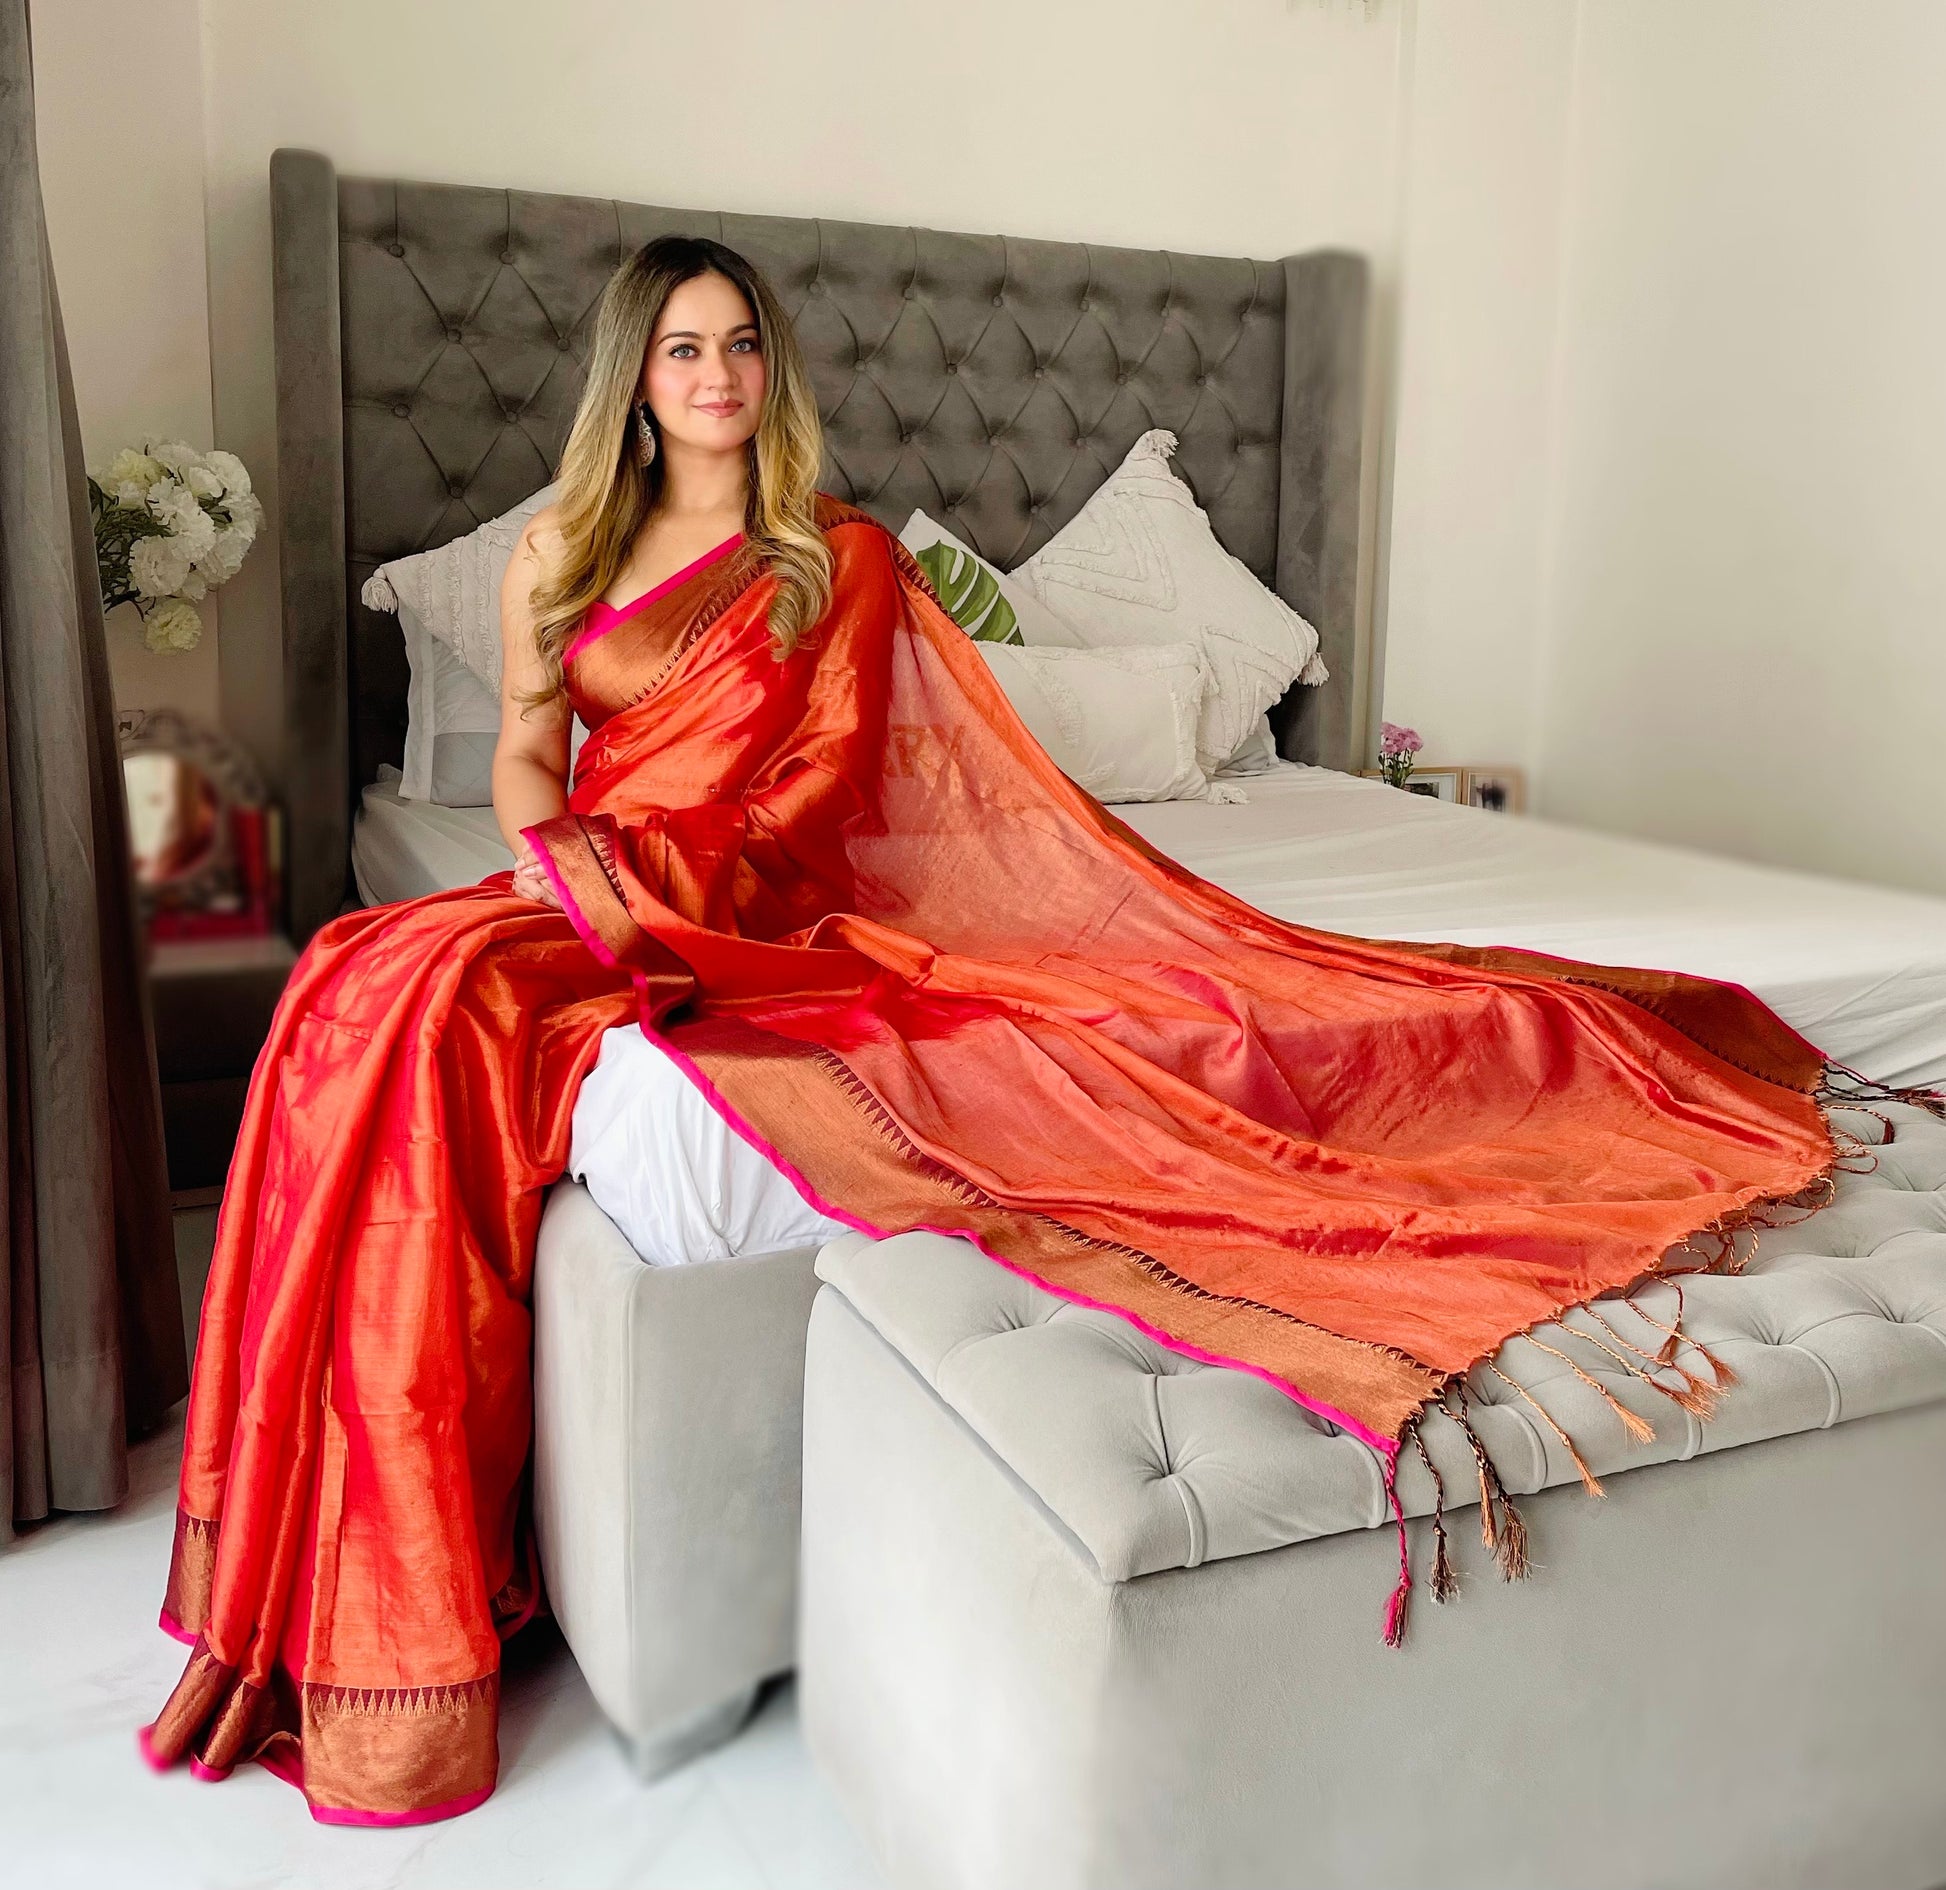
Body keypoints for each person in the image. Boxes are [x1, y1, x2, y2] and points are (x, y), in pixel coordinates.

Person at [142, 238, 1837, 1825]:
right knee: (370, 977)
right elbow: (529, 750)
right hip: (586, 880)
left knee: (453, 997)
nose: (717, 375)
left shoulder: (839, 561)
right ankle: (366, 1568)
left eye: (740, 346)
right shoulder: (557, 555)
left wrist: (664, 890)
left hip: (751, 903)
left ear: (770, 369)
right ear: (635, 381)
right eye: (682, 350)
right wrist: (557, 858)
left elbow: (824, 805)